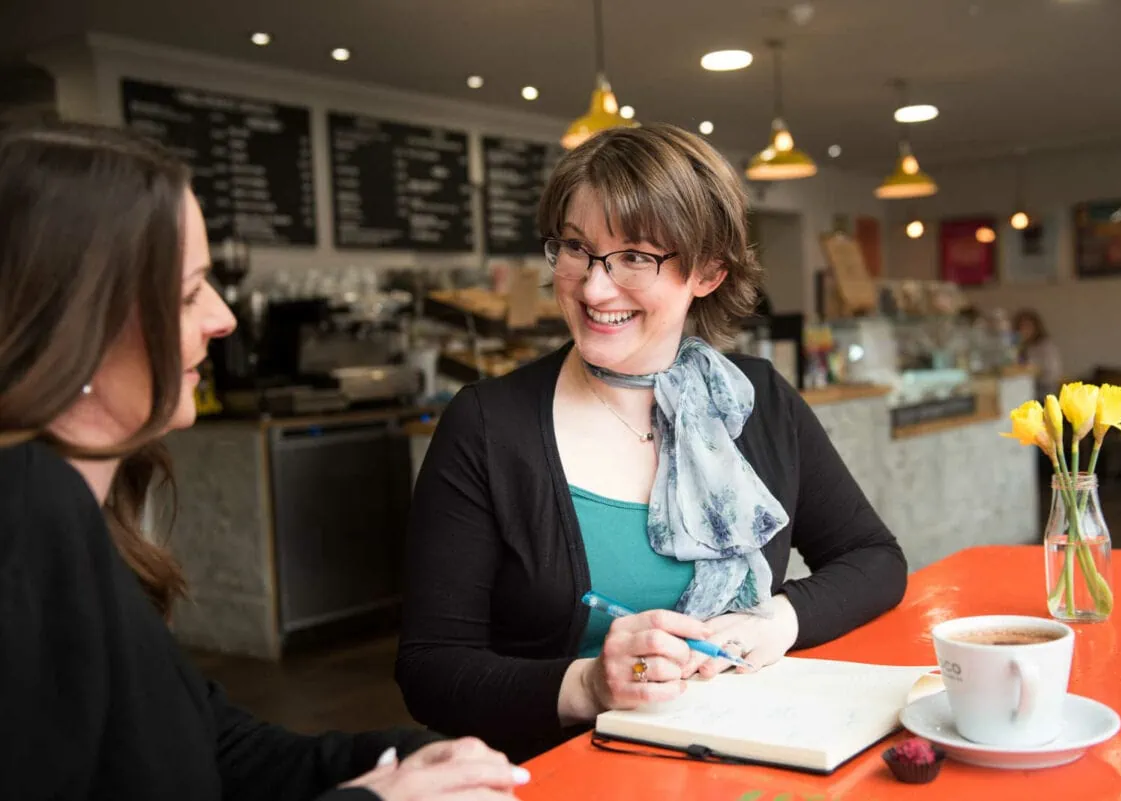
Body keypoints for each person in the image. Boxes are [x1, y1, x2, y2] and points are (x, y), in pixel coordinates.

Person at [0, 122, 529, 801]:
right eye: (190, 292)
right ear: (75, 318)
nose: (222, 319)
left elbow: (212, 743)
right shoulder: (26, 507)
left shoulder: (79, 515)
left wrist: (408, 758)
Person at [395, 123, 908, 762]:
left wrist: (777, 621)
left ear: (709, 272)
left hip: (751, 756)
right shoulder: (487, 426)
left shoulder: (759, 401)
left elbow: (875, 559)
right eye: (577, 248)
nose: (593, 287)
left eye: (636, 256)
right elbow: (431, 670)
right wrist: (589, 684)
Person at [1013, 308, 1062, 399]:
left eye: (1027, 327)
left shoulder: (1045, 346)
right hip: (1024, 387)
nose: (1024, 330)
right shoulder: (1020, 346)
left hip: (1044, 389)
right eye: (1020, 327)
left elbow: (1051, 373)